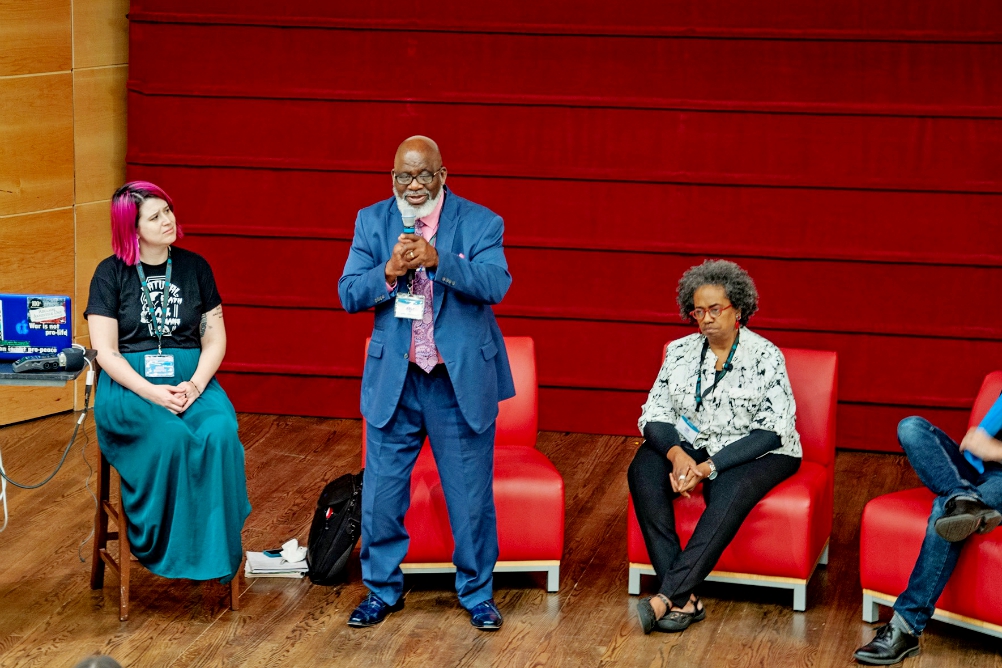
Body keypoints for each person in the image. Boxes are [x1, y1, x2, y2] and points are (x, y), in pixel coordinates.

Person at [338, 136, 514, 630]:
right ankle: (381, 590)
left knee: (469, 498)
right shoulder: (371, 221)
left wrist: (440, 261)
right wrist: (389, 271)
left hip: (454, 382)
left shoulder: (481, 221)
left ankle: (477, 593)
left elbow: (497, 284)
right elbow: (349, 292)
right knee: (381, 497)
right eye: (403, 177)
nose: (413, 186)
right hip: (396, 379)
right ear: (391, 178)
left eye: (423, 176)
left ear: (442, 175)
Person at [85, 181, 251, 583]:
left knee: (220, 432)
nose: (168, 220)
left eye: (168, 211)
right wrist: (150, 392)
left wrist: (193, 386)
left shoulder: (195, 267)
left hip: (191, 381)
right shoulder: (110, 274)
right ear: (132, 228)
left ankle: (213, 549)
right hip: (130, 388)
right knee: (170, 438)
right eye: (155, 216)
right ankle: (163, 544)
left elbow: (215, 338)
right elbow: (105, 352)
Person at [628, 259, 802, 634]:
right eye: (698, 310)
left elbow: (771, 432)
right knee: (642, 470)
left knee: (729, 492)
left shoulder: (765, 356)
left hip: (759, 452)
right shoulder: (679, 351)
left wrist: (706, 468)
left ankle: (666, 596)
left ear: (737, 309)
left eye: (715, 309)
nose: (705, 318)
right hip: (691, 445)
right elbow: (654, 413)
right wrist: (677, 456)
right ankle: (686, 600)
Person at [853, 412, 1002, 665]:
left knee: (947, 514)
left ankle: (905, 627)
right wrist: (978, 438)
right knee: (910, 426)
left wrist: (995, 450)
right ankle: (961, 495)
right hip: (971, 466)